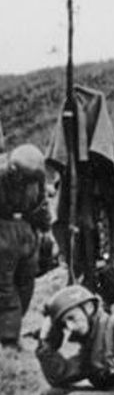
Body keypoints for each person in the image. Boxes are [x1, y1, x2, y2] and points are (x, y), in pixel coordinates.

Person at [0, 143, 52, 349]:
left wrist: (45, 232)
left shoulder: (36, 181)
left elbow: (42, 207)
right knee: (4, 288)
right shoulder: (3, 178)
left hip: (27, 234)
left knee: (26, 284)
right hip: (3, 233)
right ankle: (8, 340)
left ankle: (10, 329)